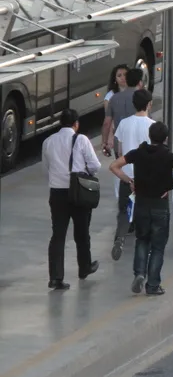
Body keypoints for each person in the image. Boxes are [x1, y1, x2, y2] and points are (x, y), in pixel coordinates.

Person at [110, 122, 173, 296]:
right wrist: (170, 184)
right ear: (166, 138)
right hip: (160, 207)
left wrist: (129, 181)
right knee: (158, 247)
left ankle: (139, 273)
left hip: (141, 205)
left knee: (142, 240)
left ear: (149, 136)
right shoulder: (168, 156)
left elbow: (114, 166)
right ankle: (153, 285)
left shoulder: (138, 153)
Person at [41, 110, 101, 291]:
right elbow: (95, 165)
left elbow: (46, 169)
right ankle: (84, 267)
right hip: (78, 191)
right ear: (76, 124)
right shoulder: (81, 140)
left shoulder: (48, 141)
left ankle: (55, 278)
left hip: (57, 192)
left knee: (58, 235)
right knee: (82, 232)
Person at [110, 89, 156, 261]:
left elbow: (120, 151)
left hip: (127, 175)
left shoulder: (124, 123)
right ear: (149, 104)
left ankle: (120, 238)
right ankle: (144, 246)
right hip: (145, 177)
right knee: (145, 212)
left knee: (124, 210)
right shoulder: (152, 125)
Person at [100, 63, 127, 156]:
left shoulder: (135, 91)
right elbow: (108, 121)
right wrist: (108, 138)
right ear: (115, 79)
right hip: (119, 135)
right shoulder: (110, 97)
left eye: (125, 74)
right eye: (119, 75)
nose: (123, 77)